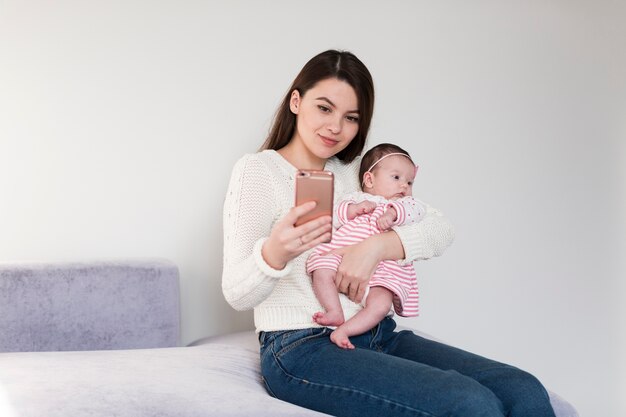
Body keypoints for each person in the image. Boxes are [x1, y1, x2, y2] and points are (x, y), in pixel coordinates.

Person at [222, 49, 556, 417]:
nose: (336, 127)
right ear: (296, 102)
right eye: (324, 108)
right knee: (468, 402)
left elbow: (440, 227)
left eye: (351, 117)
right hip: (299, 347)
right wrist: (274, 254)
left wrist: (379, 246)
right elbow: (237, 294)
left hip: (379, 334)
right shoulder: (258, 171)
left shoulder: (359, 173)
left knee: (522, 388)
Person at [306, 143, 426, 349]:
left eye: (410, 181)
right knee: (321, 268)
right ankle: (334, 311)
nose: (404, 186)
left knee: (381, 305)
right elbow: (332, 216)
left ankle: (346, 330)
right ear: (369, 179)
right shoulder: (356, 198)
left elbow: (419, 213)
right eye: (396, 178)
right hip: (341, 256)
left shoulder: (405, 205)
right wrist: (353, 210)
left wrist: (392, 214)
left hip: (384, 271)